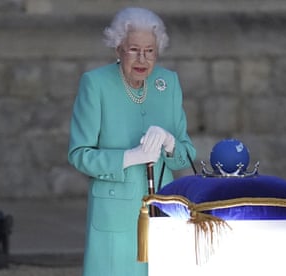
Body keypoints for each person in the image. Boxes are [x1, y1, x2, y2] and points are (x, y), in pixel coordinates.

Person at [67, 7, 196, 276]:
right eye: (133, 49)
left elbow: (186, 154)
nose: (142, 59)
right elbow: (79, 154)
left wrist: (171, 143)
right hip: (114, 213)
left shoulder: (168, 83)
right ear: (118, 49)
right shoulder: (95, 84)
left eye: (149, 51)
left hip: (164, 209)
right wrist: (129, 157)